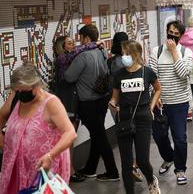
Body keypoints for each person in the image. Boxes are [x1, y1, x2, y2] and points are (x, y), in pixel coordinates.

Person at [0, 61, 77, 193]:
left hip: (42, 170)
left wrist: (51, 155)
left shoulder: (51, 103)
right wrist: (4, 143)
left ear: (36, 85)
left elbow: (70, 133)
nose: (20, 94)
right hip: (15, 168)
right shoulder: (17, 98)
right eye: (16, 91)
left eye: (24, 91)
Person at [64, 25, 120, 181]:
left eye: (80, 38)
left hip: (88, 103)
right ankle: (90, 168)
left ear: (86, 38)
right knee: (97, 134)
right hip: (102, 99)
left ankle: (112, 171)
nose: (78, 42)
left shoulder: (82, 57)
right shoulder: (101, 51)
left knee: (100, 137)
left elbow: (69, 77)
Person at [109, 40, 161, 194]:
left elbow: (158, 89)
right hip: (124, 117)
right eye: (122, 53)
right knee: (126, 163)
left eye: (127, 53)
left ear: (136, 54)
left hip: (143, 117)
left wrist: (151, 106)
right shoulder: (119, 75)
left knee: (143, 160)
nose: (124, 57)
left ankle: (151, 179)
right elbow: (114, 98)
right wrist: (112, 103)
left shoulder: (147, 72)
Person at [149, 20, 193, 185]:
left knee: (180, 137)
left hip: (180, 103)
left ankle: (180, 169)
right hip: (161, 102)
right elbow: (153, 77)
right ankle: (169, 158)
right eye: (170, 32)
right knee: (159, 135)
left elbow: (183, 74)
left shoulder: (186, 52)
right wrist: (155, 95)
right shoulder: (156, 51)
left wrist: (175, 52)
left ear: (181, 36)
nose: (172, 36)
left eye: (176, 33)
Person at [52, 35, 98, 182]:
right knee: (68, 139)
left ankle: (69, 169)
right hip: (66, 102)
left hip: (73, 101)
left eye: (73, 43)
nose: (74, 46)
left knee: (71, 137)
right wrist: (93, 45)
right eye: (70, 43)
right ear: (62, 46)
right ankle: (68, 171)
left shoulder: (69, 58)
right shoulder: (62, 59)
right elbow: (78, 51)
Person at [107, 32, 144, 182]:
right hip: (129, 106)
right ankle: (133, 165)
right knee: (135, 136)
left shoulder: (111, 62)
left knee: (125, 135)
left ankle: (130, 166)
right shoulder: (134, 64)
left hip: (118, 106)